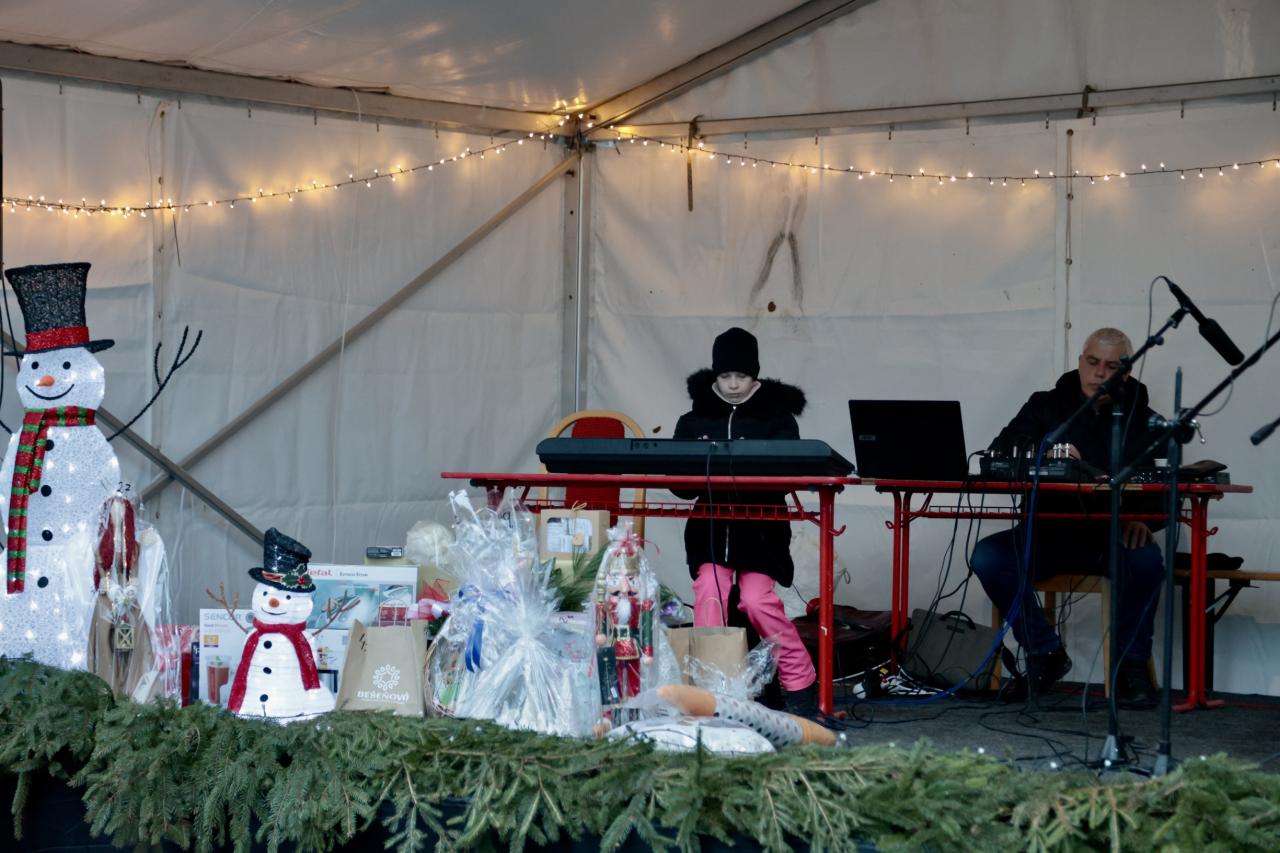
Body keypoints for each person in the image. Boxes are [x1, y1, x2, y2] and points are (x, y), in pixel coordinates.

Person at [971, 327, 1163, 708]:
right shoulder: (1045, 404)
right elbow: (1002, 450)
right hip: (1046, 533)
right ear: (1080, 362)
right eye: (1092, 362)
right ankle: (1044, 652)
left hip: (1109, 536)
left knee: (1145, 561)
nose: (1099, 373)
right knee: (988, 557)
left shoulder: (1143, 417)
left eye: (1111, 367)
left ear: (1126, 373)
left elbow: (1159, 481)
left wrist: (1144, 519)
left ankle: (1131, 667)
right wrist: (1044, 452)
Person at [672, 327, 818, 715]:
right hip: (710, 529)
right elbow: (679, 487)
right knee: (710, 589)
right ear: (714, 375)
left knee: (756, 601)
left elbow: (791, 475)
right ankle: (715, 689)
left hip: (761, 530)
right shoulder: (693, 420)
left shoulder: (778, 418)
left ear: (755, 375)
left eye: (741, 375)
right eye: (726, 376)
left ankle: (800, 682)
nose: (734, 384)